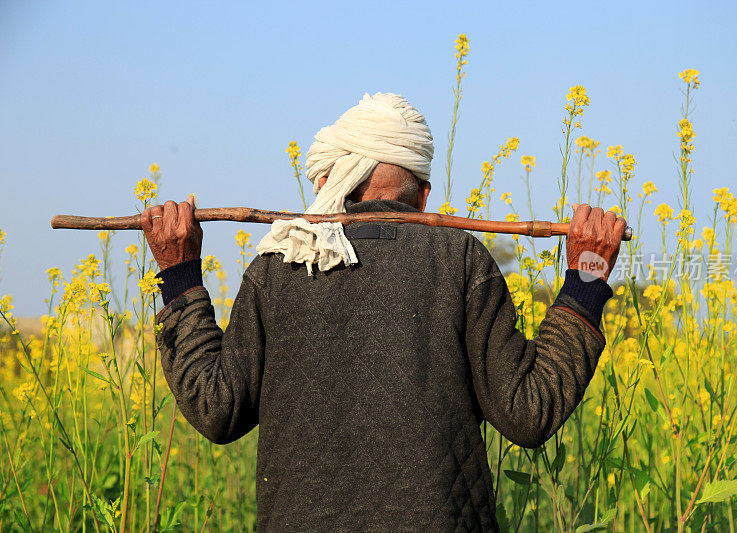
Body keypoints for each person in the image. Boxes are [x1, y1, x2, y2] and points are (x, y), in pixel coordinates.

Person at [142, 93, 626, 532]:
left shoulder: (278, 269)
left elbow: (215, 407)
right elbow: (528, 411)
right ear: (424, 197)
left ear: (333, 179)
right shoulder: (458, 262)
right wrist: (585, 280)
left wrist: (179, 274)